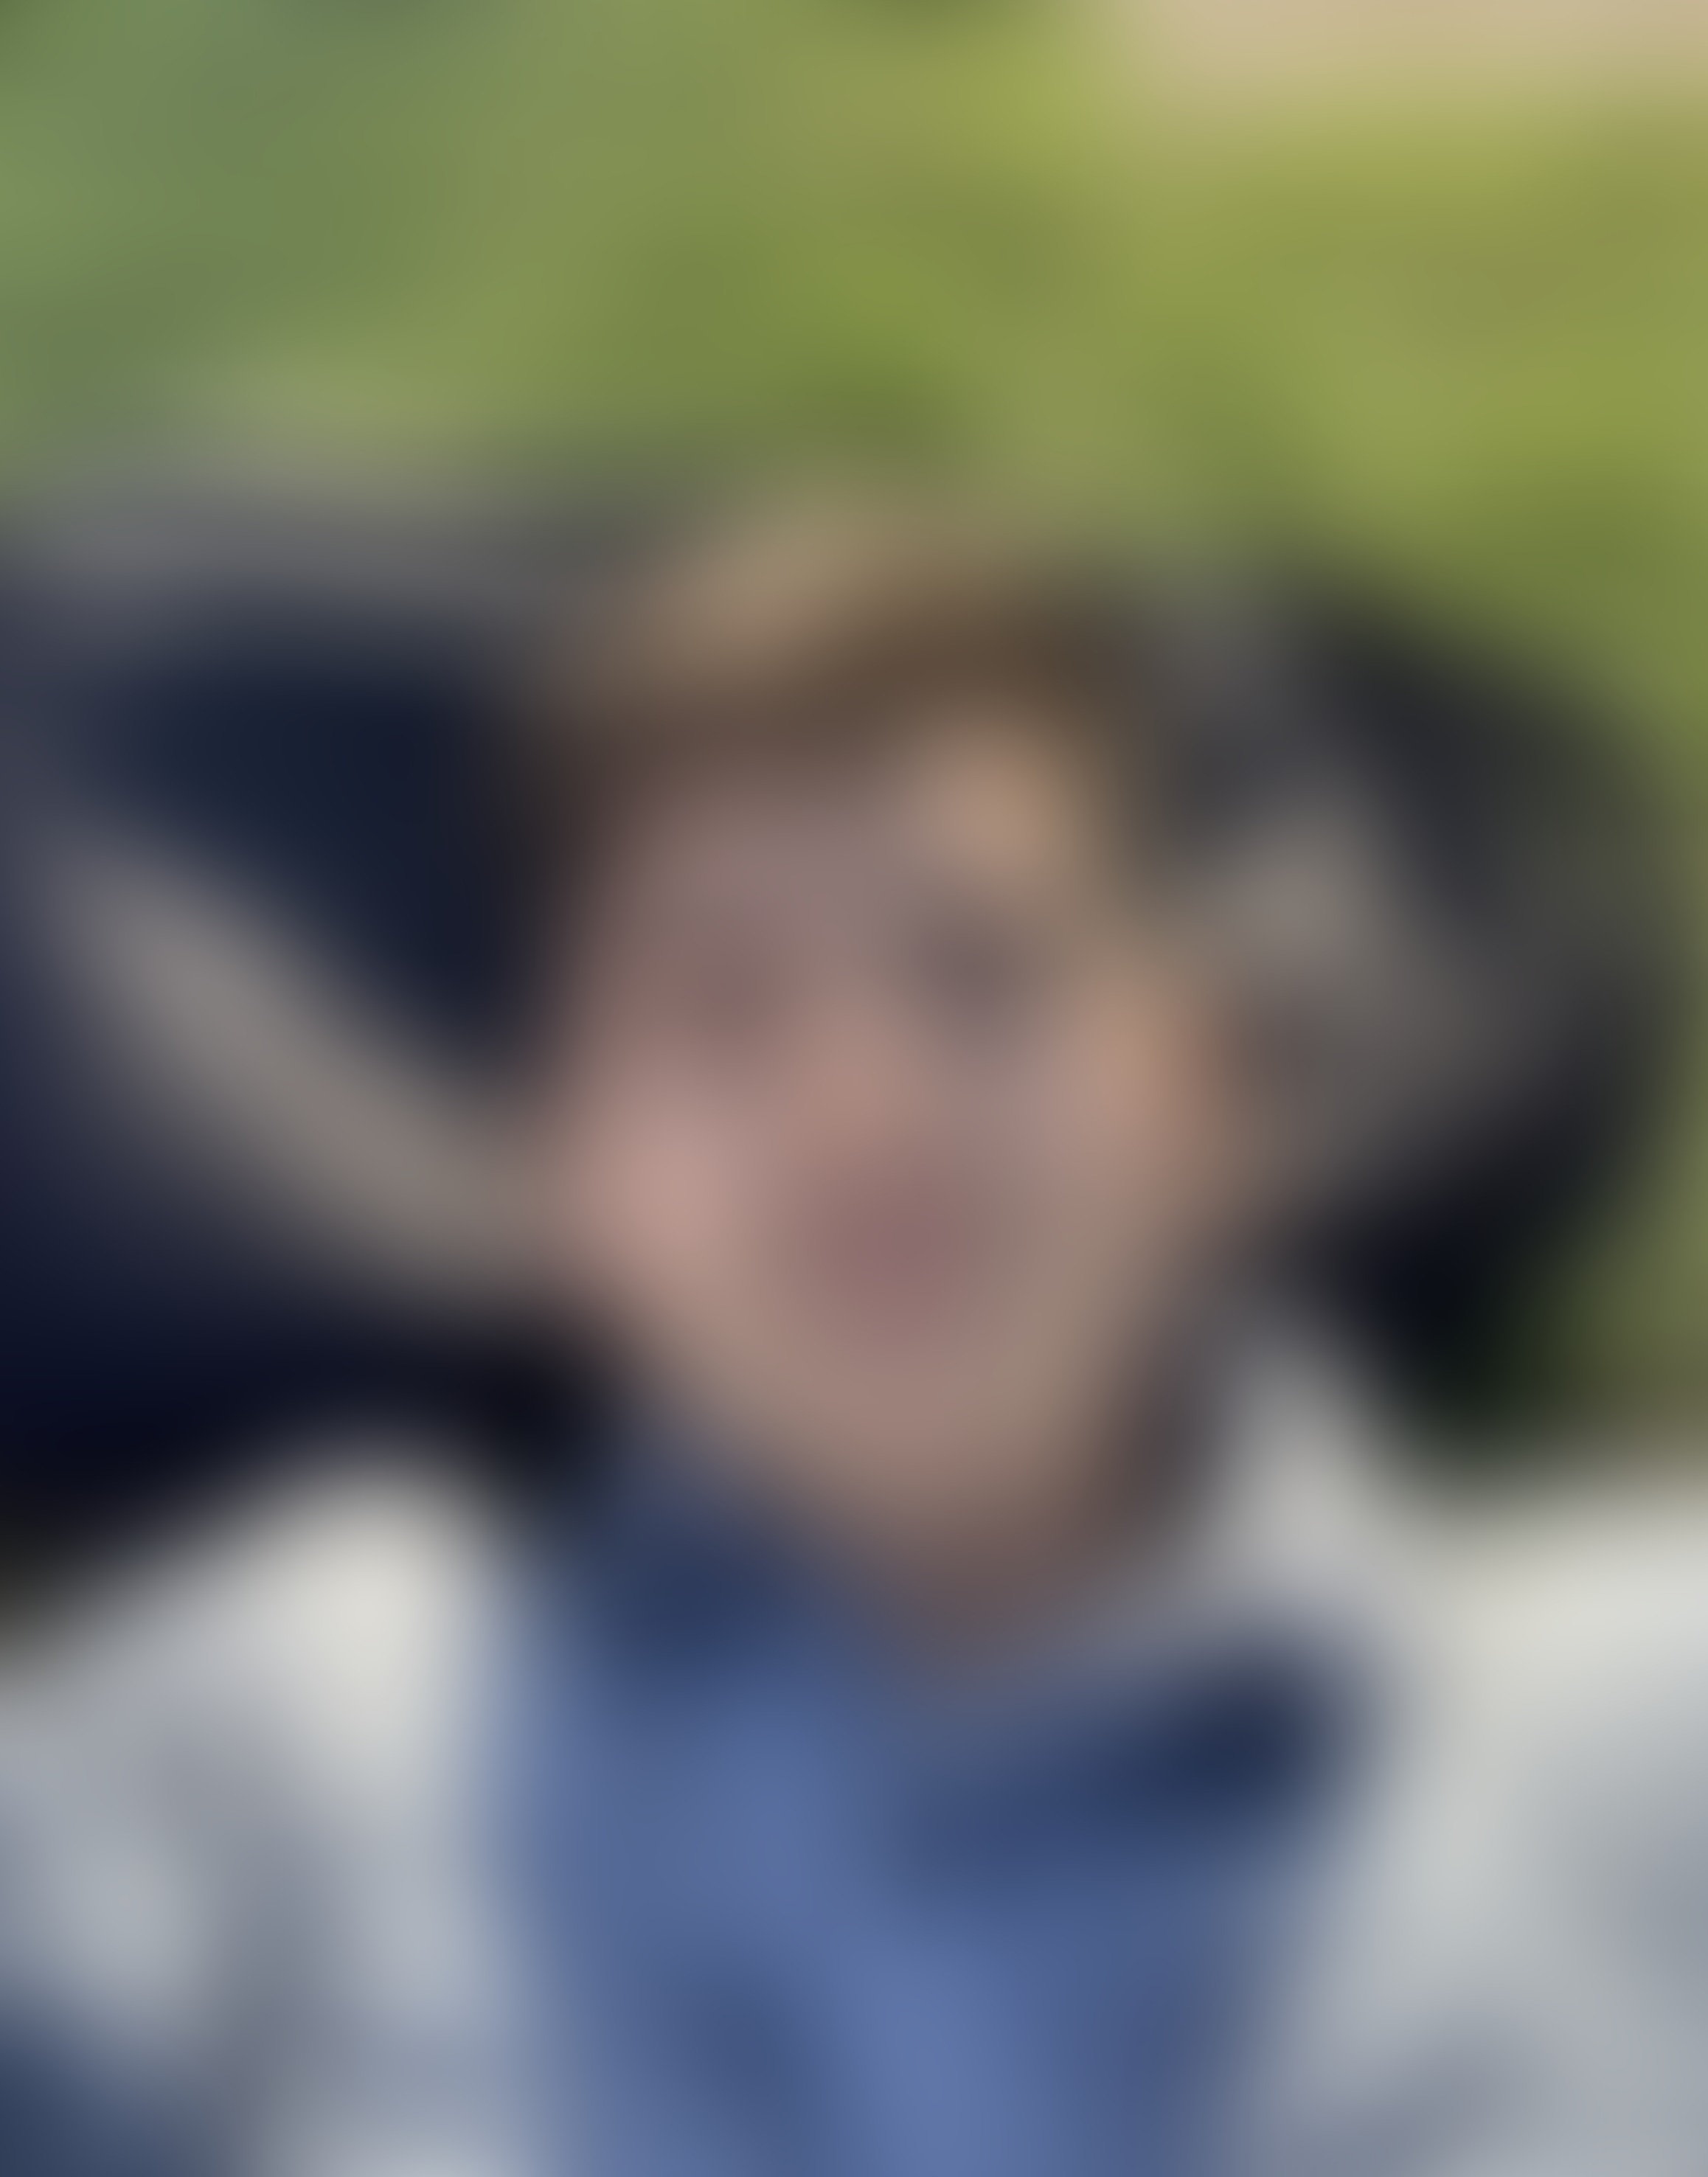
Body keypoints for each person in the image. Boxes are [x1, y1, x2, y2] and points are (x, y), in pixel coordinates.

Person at [1, 495, 1706, 2177]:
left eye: (980, 974)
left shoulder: (1636, 1710)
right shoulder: (310, 1729)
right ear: (575, 1176)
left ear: (1201, 1095)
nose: (863, 1114)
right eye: (723, 1008)